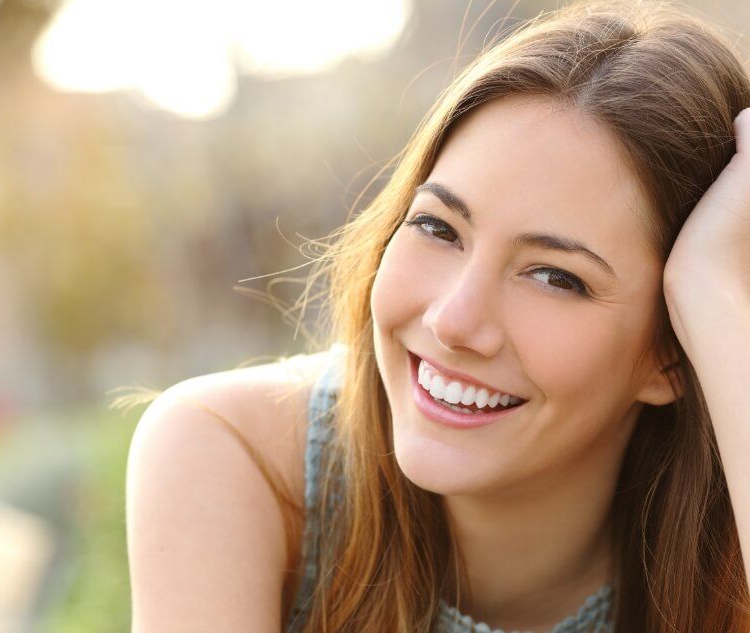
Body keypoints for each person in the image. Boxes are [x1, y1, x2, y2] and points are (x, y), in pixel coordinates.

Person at [125, 1, 750, 630]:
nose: (454, 321)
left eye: (555, 277)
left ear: (674, 352)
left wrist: (717, 295)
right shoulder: (237, 458)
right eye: (436, 226)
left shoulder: (724, 564)